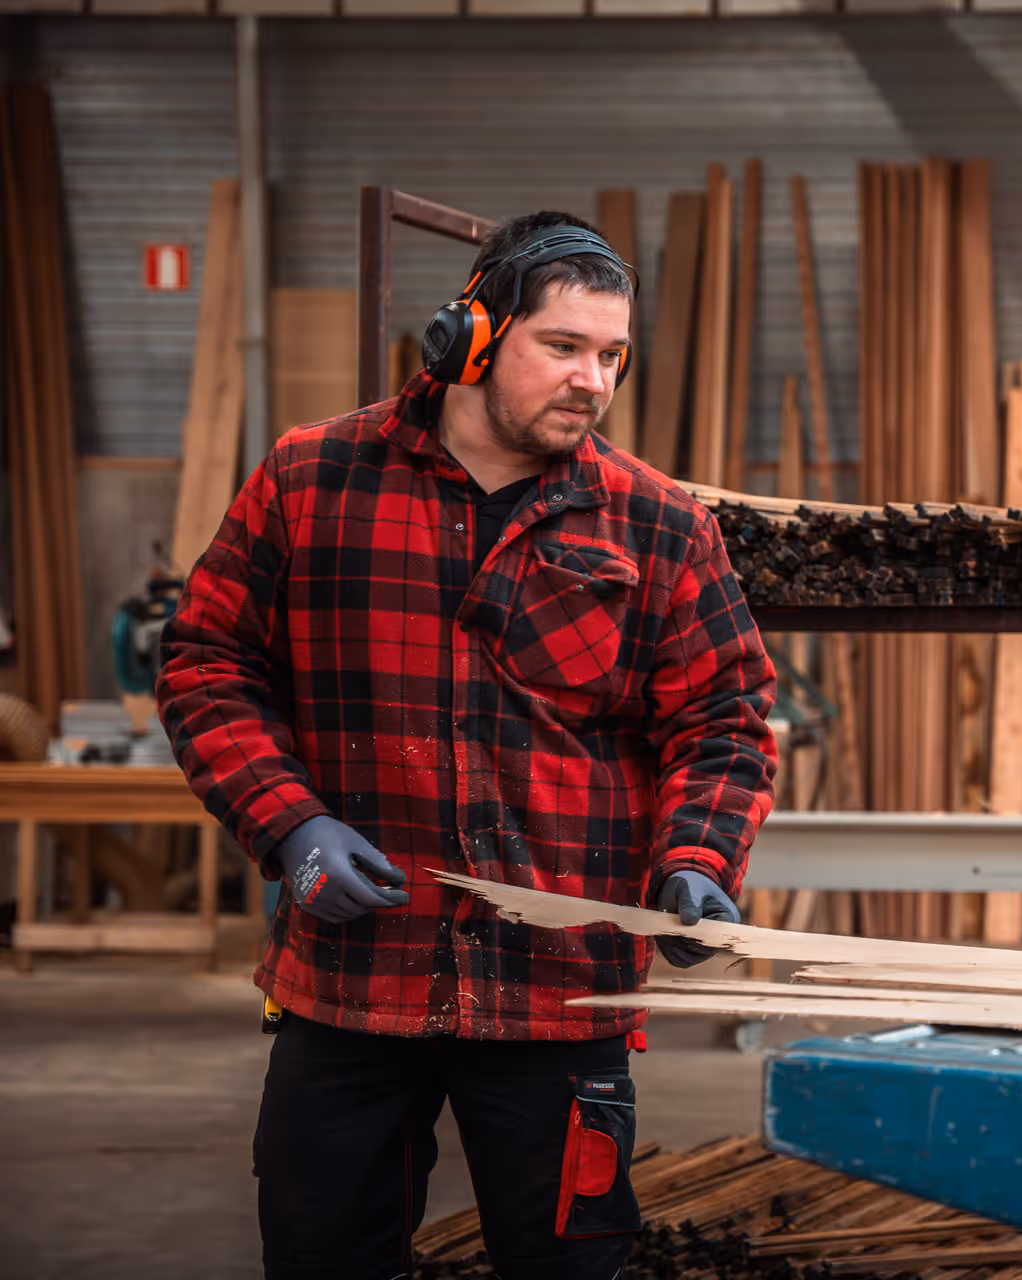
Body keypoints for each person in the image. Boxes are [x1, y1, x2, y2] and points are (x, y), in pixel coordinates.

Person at [156, 210, 778, 1280]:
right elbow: (206, 660)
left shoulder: (659, 523)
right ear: (473, 338)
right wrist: (289, 820)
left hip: (558, 992)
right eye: (565, 346)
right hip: (354, 978)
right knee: (322, 1253)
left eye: (613, 355)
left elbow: (723, 717)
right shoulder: (313, 481)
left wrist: (696, 859)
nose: (594, 379)